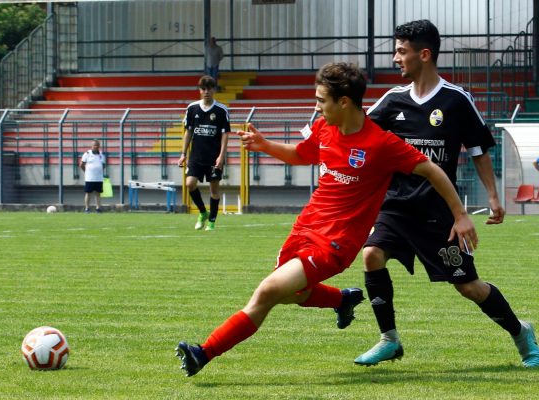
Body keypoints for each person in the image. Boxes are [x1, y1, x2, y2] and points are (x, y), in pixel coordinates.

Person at [175, 62, 478, 377]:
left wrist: (460, 215)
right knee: (294, 293)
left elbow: (430, 169)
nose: (316, 107)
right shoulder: (325, 129)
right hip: (305, 228)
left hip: (335, 244)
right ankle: (342, 299)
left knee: (267, 292)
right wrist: (265, 146)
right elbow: (301, 155)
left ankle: (203, 353)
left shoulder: (381, 144)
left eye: (321, 100)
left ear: (343, 102)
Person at [354, 19, 539, 368]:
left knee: (469, 287)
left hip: (438, 213)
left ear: (424, 54)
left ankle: (521, 332)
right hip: (395, 206)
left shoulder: (456, 100)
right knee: (371, 255)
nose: (395, 58)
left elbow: (478, 150)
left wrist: (492, 197)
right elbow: (358, 132)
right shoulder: (391, 100)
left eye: (401, 51)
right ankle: (388, 339)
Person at [178, 75, 230, 231]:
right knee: (189, 183)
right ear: (200, 90)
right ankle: (202, 212)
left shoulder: (221, 110)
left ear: (214, 90)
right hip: (196, 156)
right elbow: (188, 132)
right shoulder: (192, 108)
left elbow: (225, 134)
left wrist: (221, 156)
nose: (206, 92)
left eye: (209, 89)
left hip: (214, 157)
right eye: (203, 89)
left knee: (214, 189)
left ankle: (212, 222)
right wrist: (183, 154)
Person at [80, 139, 106, 213]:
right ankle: (87, 208)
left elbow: (103, 165)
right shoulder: (87, 154)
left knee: (98, 193)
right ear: (91, 146)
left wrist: (99, 171)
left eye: (97, 145)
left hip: (99, 178)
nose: (96, 147)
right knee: (88, 193)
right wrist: (86, 171)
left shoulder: (101, 155)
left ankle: (98, 208)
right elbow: (81, 165)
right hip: (89, 178)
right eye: (94, 145)